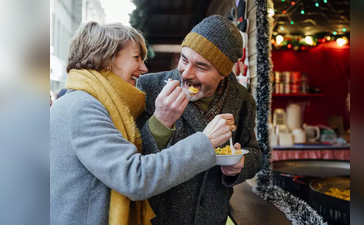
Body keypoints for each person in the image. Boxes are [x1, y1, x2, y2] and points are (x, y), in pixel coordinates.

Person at [50, 21, 235, 225]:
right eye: (136, 57)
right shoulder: (83, 107)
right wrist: (205, 143)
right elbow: (134, 178)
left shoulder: (88, 102)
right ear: (106, 59)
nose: (144, 68)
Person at [136, 15, 263, 225]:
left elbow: (255, 152)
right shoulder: (148, 88)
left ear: (223, 73)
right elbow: (131, 165)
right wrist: (160, 122)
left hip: (212, 218)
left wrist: (241, 164)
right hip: (156, 219)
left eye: (201, 67)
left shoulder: (241, 99)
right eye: (184, 59)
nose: (186, 73)